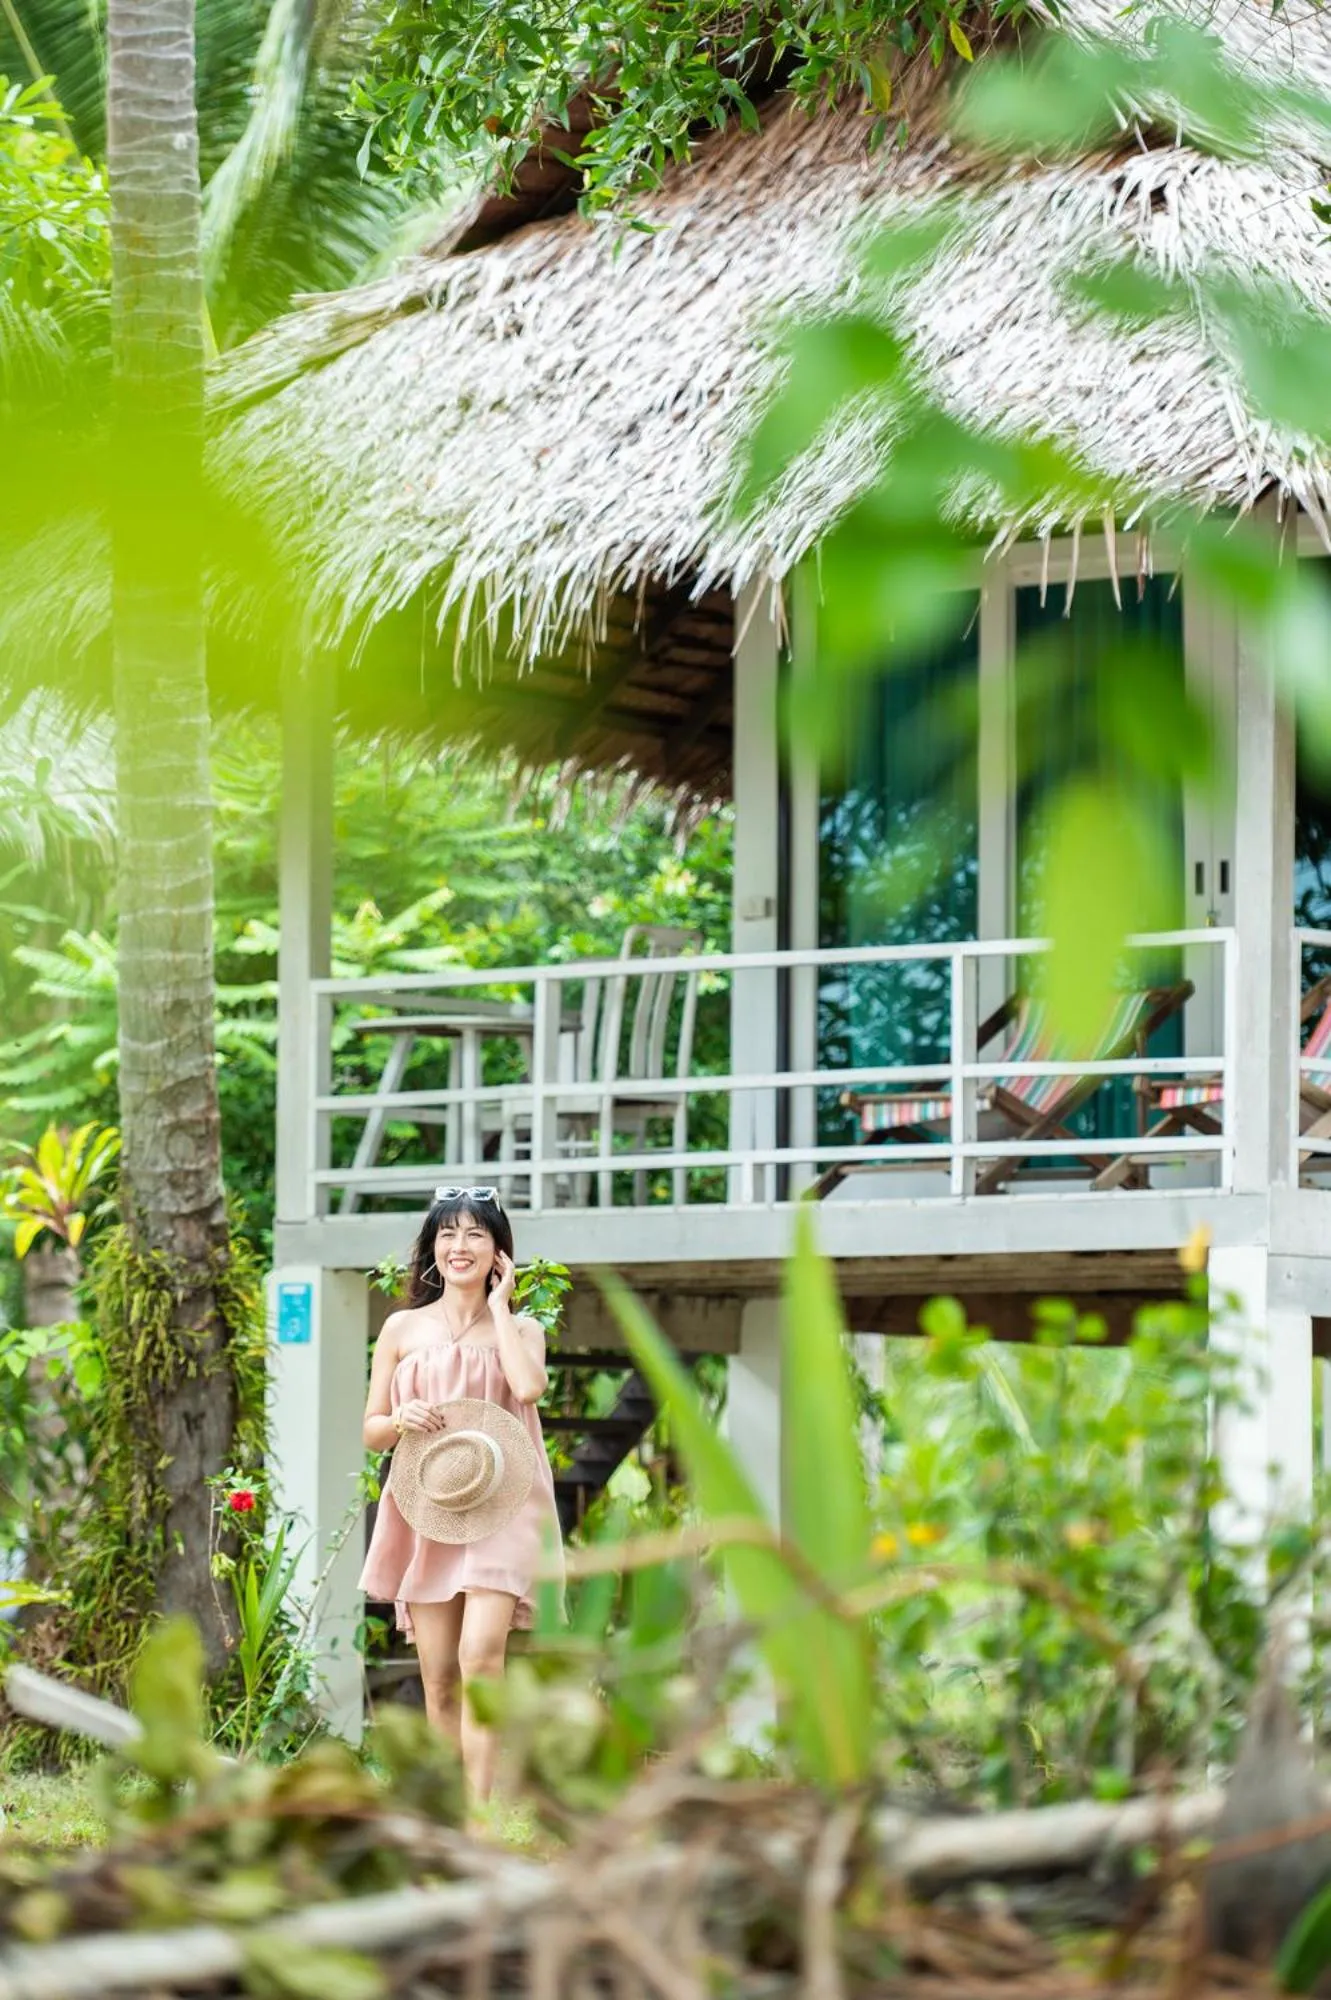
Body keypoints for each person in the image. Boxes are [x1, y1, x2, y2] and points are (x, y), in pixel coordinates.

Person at [360, 1187, 563, 1804]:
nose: (459, 1246)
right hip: (433, 1509)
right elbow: (371, 1432)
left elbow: (528, 1389)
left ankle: (481, 1813)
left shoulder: (522, 1327)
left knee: (481, 1659)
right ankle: (449, 1806)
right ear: (431, 1249)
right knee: (441, 1678)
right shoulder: (402, 1327)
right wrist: (402, 1418)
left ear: (499, 1250)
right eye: (448, 1234)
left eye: (476, 1234)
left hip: (505, 1507)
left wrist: (500, 1306)